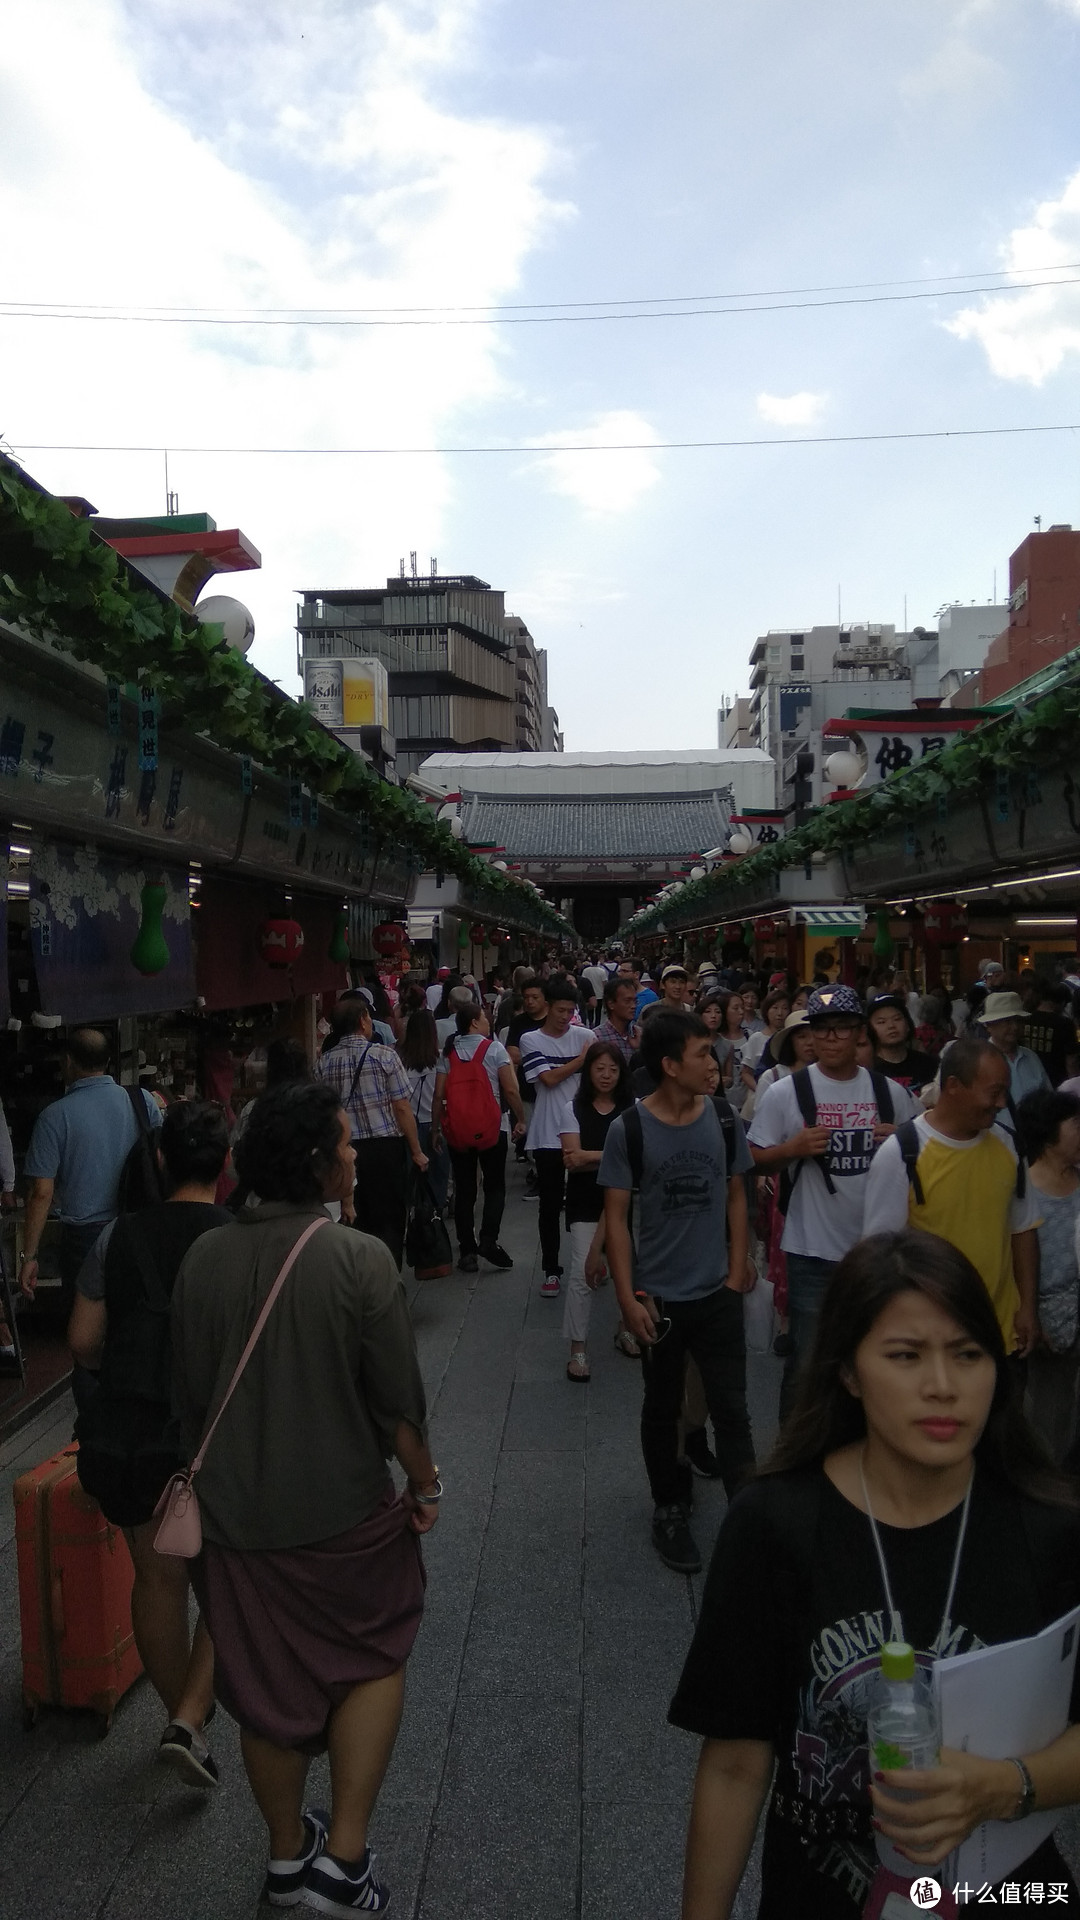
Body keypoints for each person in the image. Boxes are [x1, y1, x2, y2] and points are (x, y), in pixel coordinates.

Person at [672, 1227, 1080, 1920]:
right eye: (906, 1355)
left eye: (968, 1354)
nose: (944, 1386)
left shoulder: (1052, 1529)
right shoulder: (775, 1524)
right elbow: (737, 1762)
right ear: (849, 1371)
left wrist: (1007, 1786)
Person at [171, 1081, 438, 1914]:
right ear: (320, 1162)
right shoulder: (359, 1258)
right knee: (375, 1653)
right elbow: (398, 1405)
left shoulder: (202, 1258)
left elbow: (188, 1395)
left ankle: (288, 1858)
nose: (356, 1152)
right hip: (343, 1513)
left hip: (235, 1519)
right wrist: (425, 1485)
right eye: (346, 1143)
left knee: (261, 1686)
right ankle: (345, 1859)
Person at [67, 1103, 231, 1785]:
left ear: (160, 1161)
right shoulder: (236, 1238)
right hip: (213, 1434)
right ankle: (189, 1719)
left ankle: (180, 1721)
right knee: (229, 1583)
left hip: (132, 1432)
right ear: (224, 1166)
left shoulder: (118, 1236)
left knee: (157, 1578)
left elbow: (81, 1342)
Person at [600, 1010, 756, 1575]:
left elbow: (738, 1194)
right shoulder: (630, 1130)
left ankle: (748, 1515)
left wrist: (738, 1270)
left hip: (717, 1291)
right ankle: (669, 1505)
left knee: (733, 1408)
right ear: (668, 1066)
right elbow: (616, 1219)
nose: (713, 1067)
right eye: (700, 1056)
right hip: (659, 1300)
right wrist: (627, 1297)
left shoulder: (722, 1118)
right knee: (662, 1408)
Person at [749, 984, 918, 1415]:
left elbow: (925, 1157)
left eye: (841, 1030)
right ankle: (795, 1459)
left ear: (860, 1033)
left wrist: (902, 1140)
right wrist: (793, 1149)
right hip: (812, 1252)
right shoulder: (785, 1093)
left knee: (872, 1361)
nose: (829, 1039)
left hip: (877, 1253)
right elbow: (752, 1161)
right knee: (808, 1363)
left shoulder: (890, 1095)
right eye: (820, 1030)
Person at [863, 1034, 1041, 1359]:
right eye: (994, 1092)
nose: (1003, 1103)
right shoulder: (902, 1154)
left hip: (1000, 1336)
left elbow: (1023, 1230)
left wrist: (1027, 1307)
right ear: (955, 1086)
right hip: (932, 1344)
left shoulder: (1009, 1146)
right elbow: (880, 1257)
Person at [19, 1028, 163, 1409]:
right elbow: (163, 1159)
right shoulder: (142, 1101)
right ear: (108, 1061)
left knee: (86, 1337)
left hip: (84, 1238)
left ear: (68, 1062)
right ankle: (134, 1407)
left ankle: (93, 1424)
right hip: (137, 1228)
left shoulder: (55, 1116)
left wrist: (29, 1256)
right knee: (134, 1321)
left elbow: (41, 1192)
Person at [314, 999, 428, 1267]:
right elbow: (401, 1108)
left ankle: (358, 1275)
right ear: (364, 1020)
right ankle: (387, 1274)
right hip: (385, 1148)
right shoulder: (384, 1056)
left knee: (355, 1216)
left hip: (343, 1149)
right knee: (388, 1215)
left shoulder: (323, 1064)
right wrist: (416, 1150)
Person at [431, 1003, 526, 1272]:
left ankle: (467, 1251)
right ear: (474, 1022)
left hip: (458, 1129)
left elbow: (438, 1094)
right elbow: (509, 1089)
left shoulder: (448, 1052)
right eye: (484, 1017)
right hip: (492, 1127)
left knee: (464, 1188)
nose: (488, 1021)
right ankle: (488, 1239)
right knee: (494, 1185)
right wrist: (521, 1118)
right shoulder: (494, 1049)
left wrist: (435, 1128)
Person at [559, 1042, 634, 1382]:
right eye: (600, 1068)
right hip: (584, 1202)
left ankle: (626, 1328)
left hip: (627, 1204)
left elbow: (635, 1161)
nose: (606, 1075)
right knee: (580, 1275)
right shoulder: (571, 1108)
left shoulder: (632, 1109)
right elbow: (571, 1161)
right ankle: (578, 1348)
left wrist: (591, 1157)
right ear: (589, 1070)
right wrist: (615, 1157)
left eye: (613, 1069)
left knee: (627, 1269)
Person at [519, 976, 597, 1298]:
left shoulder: (586, 1035)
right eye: (561, 1010)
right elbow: (548, 1079)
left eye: (571, 1011)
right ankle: (551, 1269)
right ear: (547, 1007)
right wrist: (582, 1061)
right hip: (548, 1132)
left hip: (583, 1131)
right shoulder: (530, 1039)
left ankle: (594, 1261)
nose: (566, 1017)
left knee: (591, 1202)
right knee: (549, 1205)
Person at [1018, 1087, 1080, 1462]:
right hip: (1050, 1320)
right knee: (1049, 1411)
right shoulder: (1024, 1192)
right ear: (1048, 1132)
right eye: (1075, 1124)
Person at [397, 1010, 450, 1215]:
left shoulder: (399, 1059)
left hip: (407, 1124)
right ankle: (434, 1214)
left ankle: (413, 1212)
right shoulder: (441, 1058)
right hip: (434, 1122)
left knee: (410, 1174)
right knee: (438, 1174)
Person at [981, 991, 1052, 1104]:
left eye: (1018, 1021)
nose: (1015, 1027)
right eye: (1007, 1022)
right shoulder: (980, 1060)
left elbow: (1048, 1097)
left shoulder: (1031, 1057)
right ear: (989, 1025)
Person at [866, 992, 937, 1094]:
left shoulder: (929, 1065)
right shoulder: (867, 1069)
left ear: (908, 1025)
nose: (891, 1026)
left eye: (897, 1019)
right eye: (881, 1022)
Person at [1024, 982, 1080, 1088]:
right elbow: (1071, 1060)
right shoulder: (1064, 1023)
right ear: (1061, 1002)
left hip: (1029, 1078)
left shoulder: (1025, 1019)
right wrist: (1074, 1084)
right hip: (1058, 1081)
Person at [740, 988, 790, 1088]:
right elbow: (746, 1073)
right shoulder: (756, 1038)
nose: (780, 1013)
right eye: (775, 1008)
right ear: (767, 1010)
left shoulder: (791, 1038)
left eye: (785, 1008)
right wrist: (760, 1089)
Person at [595, 973, 639, 1063]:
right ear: (611, 1004)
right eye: (627, 1001)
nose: (633, 1006)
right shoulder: (597, 1037)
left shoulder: (640, 1034)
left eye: (635, 1001)